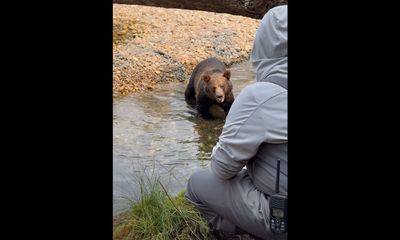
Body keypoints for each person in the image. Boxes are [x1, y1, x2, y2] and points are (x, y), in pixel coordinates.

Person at [185, 5, 287, 240]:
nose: (220, 94)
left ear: (261, 45)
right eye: (215, 90)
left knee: (198, 183)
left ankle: (240, 233)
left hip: (280, 217)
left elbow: (221, 168)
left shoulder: (258, 96)